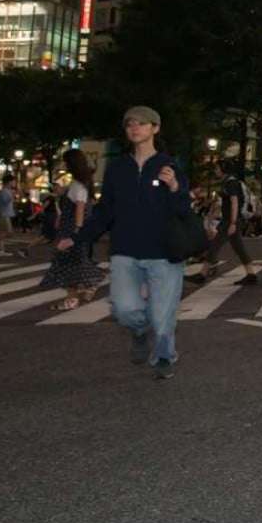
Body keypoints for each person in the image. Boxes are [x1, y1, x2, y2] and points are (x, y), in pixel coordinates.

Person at [58, 106, 192, 379]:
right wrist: (77, 237)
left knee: (163, 315)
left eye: (142, 123)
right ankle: (139, 332)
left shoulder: (170, 166)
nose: (134, 128)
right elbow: (106, 211)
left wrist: (176, 188)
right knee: (124, 310)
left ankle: (164, 357)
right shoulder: (117, 169)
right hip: (125, 250)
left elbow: (182, 211)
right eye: (130, 123)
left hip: (164, 251)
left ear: (155, 128)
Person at [42, 149, 106, 311]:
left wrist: (76, 231)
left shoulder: (78, 185)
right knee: (75, 262)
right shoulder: (80, 184)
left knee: (66, 263)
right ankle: (86, 287)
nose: (63, 165)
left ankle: (81, 290)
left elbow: (80, 208)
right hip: (72, 228)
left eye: (65, 161)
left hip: (71, 229)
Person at [188, 159, 257, 286]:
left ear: (223, 168)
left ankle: (202, 274)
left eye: (217, 168)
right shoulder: (229, 182)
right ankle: (251, 274)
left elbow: (234, 201)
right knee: (238, 247)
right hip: (231, 219)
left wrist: (233, 222)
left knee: (215, 245)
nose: (216, 170)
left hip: (230, 219)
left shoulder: (230, 183)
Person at [0, 173, 19, 256]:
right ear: (8, 182)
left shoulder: (6, 191)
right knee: (9, 232)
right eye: (13, 181)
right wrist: (12, 196)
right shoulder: (4, 191)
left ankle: (1, 251)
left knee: (1, 232)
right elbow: (5, 202)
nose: (14, 183)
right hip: (3, 214)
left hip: (2, 213)